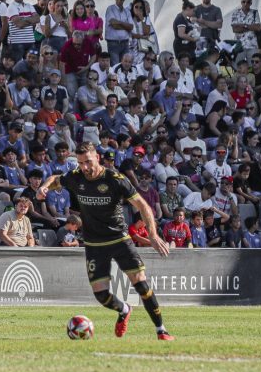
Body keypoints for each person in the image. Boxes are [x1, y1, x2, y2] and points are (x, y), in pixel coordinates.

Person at [40, 142, 174, 340]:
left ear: (98, 158)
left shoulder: (115, 179)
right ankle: (124, 309)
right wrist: (44, 187)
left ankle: (161, 330)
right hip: (94, 244)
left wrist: (153, 235)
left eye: (88, 162)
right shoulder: (76, 177)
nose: (84, 167)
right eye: (80, 163)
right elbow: (55, 180)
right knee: (101, 295)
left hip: (119, 239)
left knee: (141, 284)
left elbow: (143, 206)